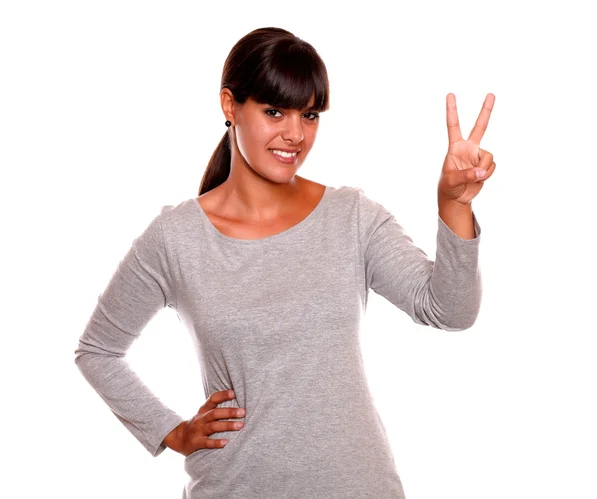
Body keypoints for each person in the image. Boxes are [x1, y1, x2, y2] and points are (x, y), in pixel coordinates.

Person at [74, 26, 495, 499]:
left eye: (309, 114)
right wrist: (172, 432)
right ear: (230, 106)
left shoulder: (350, 216)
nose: (295, 135)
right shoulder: (175, 238)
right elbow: (97, 351)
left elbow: (449, 311)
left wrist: (453, 205)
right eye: (274, 111)